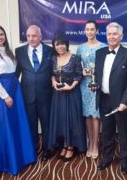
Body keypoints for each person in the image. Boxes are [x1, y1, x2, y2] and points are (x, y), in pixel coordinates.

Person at [0, 25, 36, 179]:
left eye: (1, 34)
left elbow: (15, 71)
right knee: (5, 126)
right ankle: (8, 162)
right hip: (4, 93)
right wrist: (5, 96)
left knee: (17, 123)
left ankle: (21, 157)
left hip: (16, 89)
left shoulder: (8, 51)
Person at [93, 22, 127, 175]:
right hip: (104, 99)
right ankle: (107, 158)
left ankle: (125, 162)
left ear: (121, 36)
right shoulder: (99, 53)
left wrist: (125, 101)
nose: (111, 37)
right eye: (109, 34)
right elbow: (98, 76)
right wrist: (95, 86)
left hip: (121, 102)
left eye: (114, 34)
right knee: (107, 132)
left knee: (125, 132)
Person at [15, 25, 54, 161]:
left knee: (46, 123)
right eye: (28, 36)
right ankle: (32, 148)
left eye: (34, 36)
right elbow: (16, 73)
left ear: (40, 37)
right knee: (30, 123)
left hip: (47, 95)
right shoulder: (19, 52)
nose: (31, 39)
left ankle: (47, 149)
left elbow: (55, 71)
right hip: (27, 95)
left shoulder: (50, 50)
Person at [47, 34, 86, 162]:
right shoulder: (53, 58)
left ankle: (70, 146)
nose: (60, 47)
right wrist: (53, 82)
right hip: (58, 95)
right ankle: (64, 144)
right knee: (61, 120)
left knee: (71, 120)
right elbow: (52, 74)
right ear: (54, 46)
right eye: (57, 44)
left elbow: (79, 75)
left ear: (67, 45)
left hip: (71, 94)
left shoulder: (75, 58)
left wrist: (71, 86)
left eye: (63, 44)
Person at [76, 20, 106, 159]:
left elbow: (107, 68)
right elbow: (76, 66)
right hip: (84, 85)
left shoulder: (103, 47)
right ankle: (90, 143)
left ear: (97, 31)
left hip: (97, 85)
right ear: (84, 31)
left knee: (96, 115)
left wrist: (96, 73)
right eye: (87, 29)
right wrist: (83, 71)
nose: (89, 32)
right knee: (87, 115)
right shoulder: (80, 47)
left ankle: (96, 143)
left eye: (92, 29)